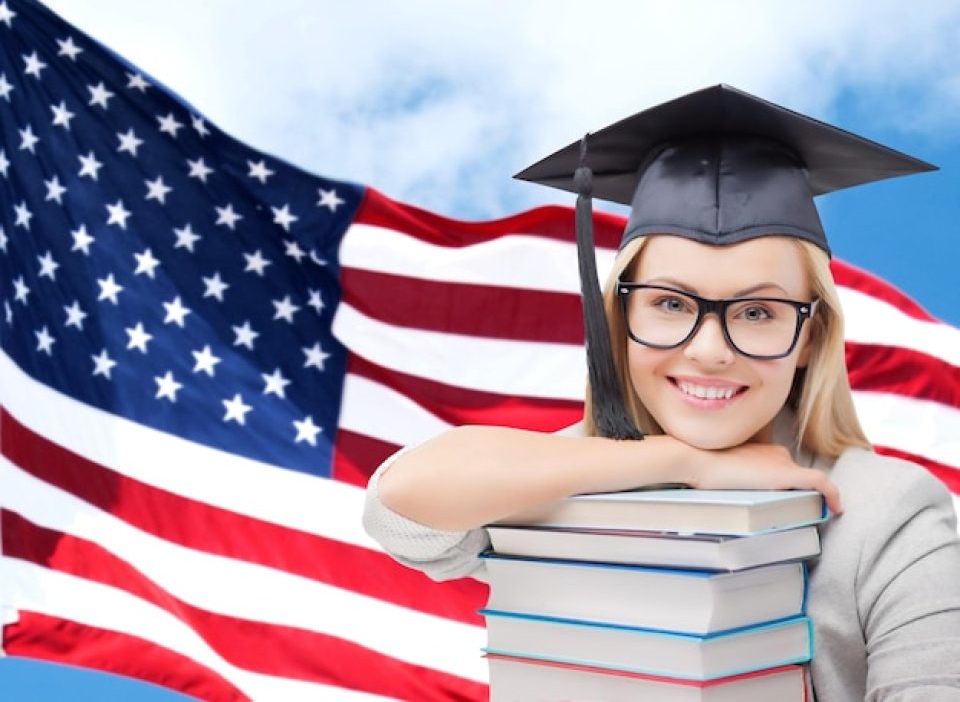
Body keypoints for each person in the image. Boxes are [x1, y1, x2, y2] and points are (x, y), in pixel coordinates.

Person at [362, 85, 960, 700]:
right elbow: (400, 505)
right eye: (671, 304)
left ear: (810, 336)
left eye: (758, 312)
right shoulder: (562, 476)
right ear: (620, 319)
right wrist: (684, 463)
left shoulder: (886, 510)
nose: (710, 350)